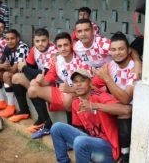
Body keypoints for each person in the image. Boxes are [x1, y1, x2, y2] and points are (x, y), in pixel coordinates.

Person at [50, 69, 132, 163]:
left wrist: (94, 106)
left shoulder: (100, 96)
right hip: (90, 143)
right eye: (75, 81)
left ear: (90, 83)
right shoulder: (76, 102)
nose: (78, 84)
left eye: (82, 80)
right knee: (57, 127)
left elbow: (126, 110)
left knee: (80, 141)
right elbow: (79, 130)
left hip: (108, 150)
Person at [27, 32, 93, 124]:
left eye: (65, 45)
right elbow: (48, 79)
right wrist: (40, 81)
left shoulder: (81, 59)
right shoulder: (57, 60)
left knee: (68, 99)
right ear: (56, 47)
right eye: (60, 46)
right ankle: (46, 124)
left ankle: (73, 128)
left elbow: (91, 85)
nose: (63, 48)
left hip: (80, 93)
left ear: (71, 45)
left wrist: (72, 89)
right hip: (65, 91)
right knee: (32, 89)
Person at [93, 32, 139, 162]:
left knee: (123, 110)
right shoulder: (109, 65)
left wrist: (107, 80)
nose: (117, 52)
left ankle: (125, 154)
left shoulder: (135, 69)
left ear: (128, 50)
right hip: (117, 103)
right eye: (113, 49)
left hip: (133, 107)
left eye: (121, 49)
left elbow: (126, 99)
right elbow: (92, 84)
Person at [10, 28, 57, 139]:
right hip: (41, 80)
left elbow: (43, 74)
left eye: (43, 40)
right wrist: (27, 69)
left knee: (34, 84)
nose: (40, 44)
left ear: (48, 40)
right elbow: (29, 70)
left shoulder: (53, 51)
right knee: (16, 77)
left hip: (53, 82)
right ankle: (24, 110)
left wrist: (25, 68)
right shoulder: (34, 50)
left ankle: (46, 121)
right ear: (34, 41)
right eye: (37, 41)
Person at [0, 29, 29, 116]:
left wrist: (4, 67)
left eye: (12, 38)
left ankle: (11, 106)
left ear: (18, 38)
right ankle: (1, 101)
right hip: (13, 73)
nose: (9, 41)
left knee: (6, 74)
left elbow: (14, 69)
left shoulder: (22, 47)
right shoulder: (7, 47)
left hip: (25, 75)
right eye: (7, 39)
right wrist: (2, 66)